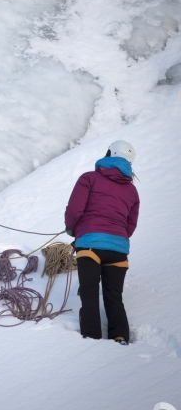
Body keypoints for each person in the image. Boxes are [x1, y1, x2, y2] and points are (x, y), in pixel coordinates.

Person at [64, 140, 140, 345]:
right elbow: (130, 225)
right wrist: (117, 239)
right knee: (113, 296)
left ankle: (92, 339)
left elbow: (75, 210)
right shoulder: (132, 191)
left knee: (89, 293)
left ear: (110, 154)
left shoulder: (89, 178)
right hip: (118, 249)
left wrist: (72, 229)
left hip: (89, 245)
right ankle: (120, 336)